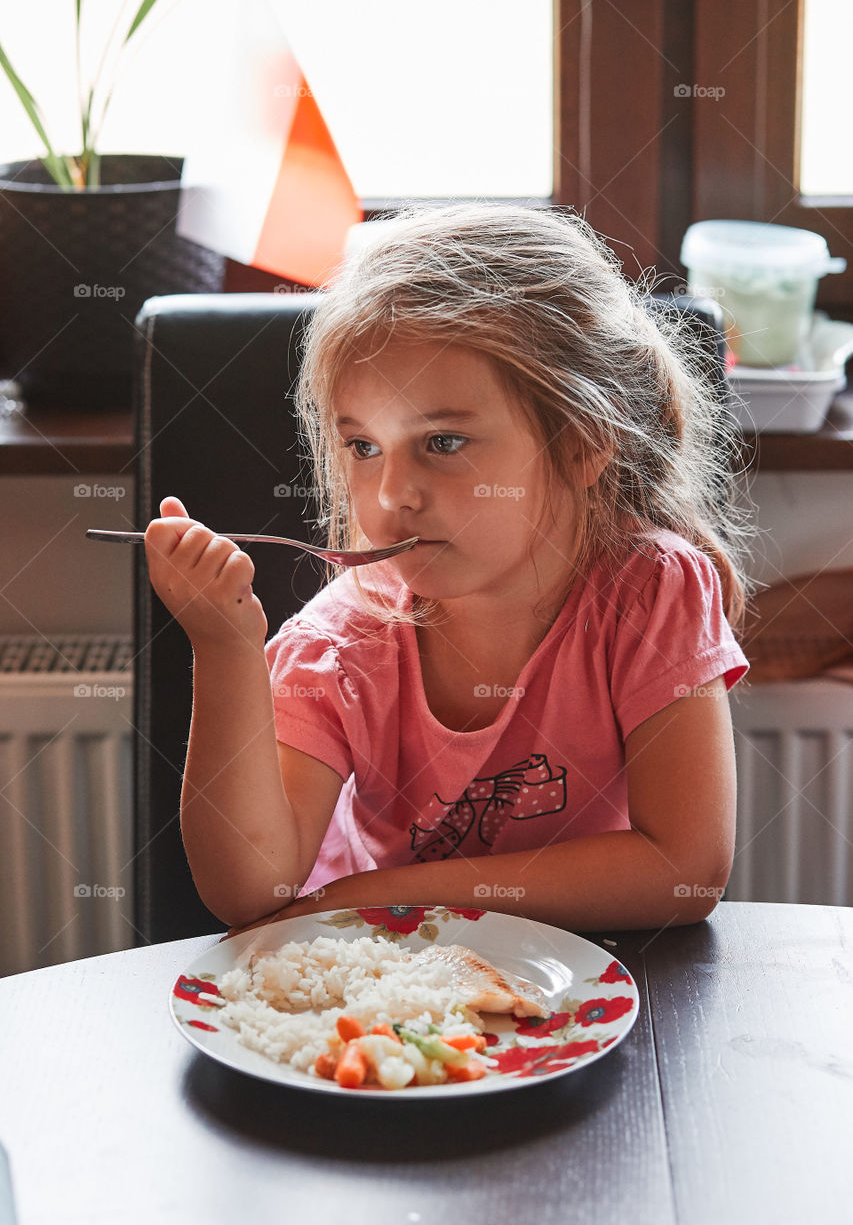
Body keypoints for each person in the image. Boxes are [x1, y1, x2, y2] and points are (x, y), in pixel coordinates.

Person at [144, 201, 752, 935]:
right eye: (363, 447)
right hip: (386, 1001)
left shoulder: (650, 592)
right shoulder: (341, 647)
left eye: (442, 442)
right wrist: (225, 648)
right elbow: (247, 890)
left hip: (598, 995)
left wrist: (377, 891)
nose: (392, 493)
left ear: (585, 443)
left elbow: (684, 871)